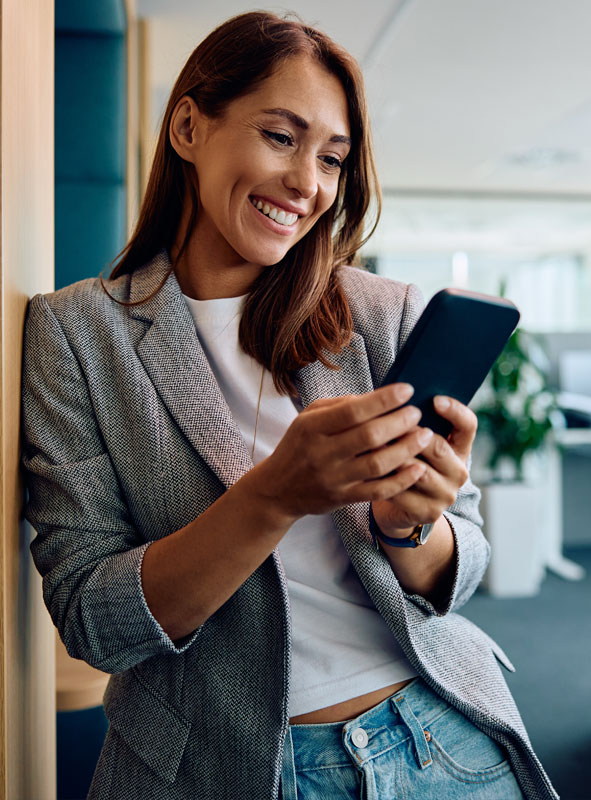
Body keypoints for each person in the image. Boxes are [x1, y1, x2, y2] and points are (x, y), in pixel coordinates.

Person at [21, 11, 558, 800]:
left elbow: (462, 563)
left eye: (333, 159)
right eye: (281, 137)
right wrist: (273, 496)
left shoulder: (383, 314)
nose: (309, 183)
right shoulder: (76, 334)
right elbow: (95, 622)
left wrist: (411, 523)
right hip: (220, 768)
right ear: (188, 126)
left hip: (441, 743)